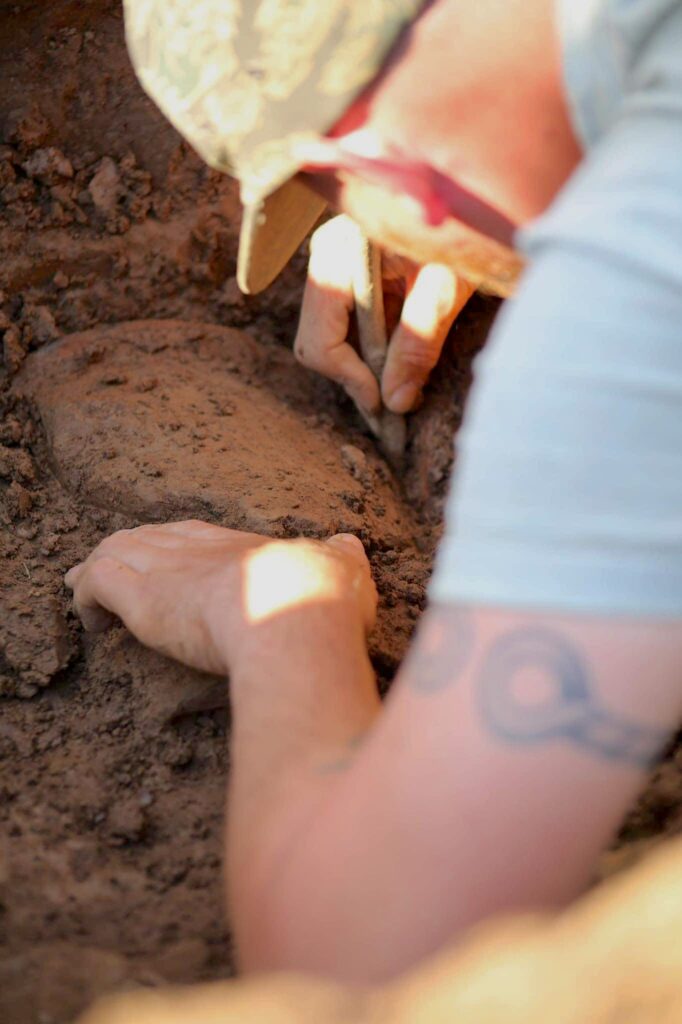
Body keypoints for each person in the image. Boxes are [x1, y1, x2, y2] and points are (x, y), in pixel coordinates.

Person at [66, 0, 682, 985]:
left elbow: (367, 958)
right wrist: (504, 192)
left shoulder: (638, 292)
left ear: (390, 165)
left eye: (332, 191)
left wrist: (281, 617)